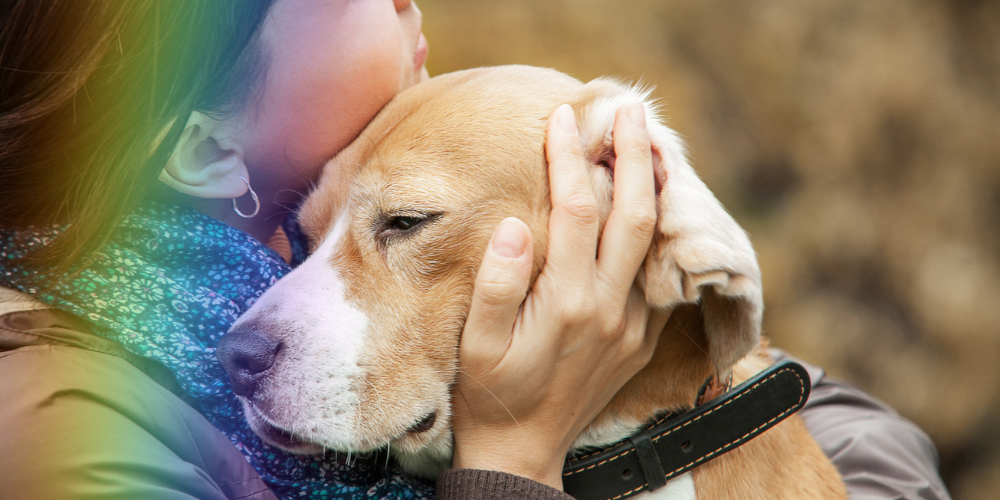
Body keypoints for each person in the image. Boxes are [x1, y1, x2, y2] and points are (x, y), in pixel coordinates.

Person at [0, 1, 950, 499]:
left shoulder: (309, 244)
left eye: (399, 223)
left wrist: (662, 351)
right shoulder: (62, 431)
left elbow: (837, 425)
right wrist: (512, 456)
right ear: (203, 143)